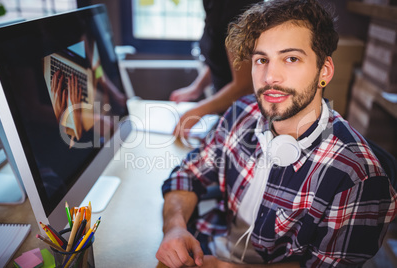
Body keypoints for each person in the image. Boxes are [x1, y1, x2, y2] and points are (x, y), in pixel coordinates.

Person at [156, 0, 397, 267]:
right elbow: (187, 174)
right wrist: (175, 226)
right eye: (261, 60)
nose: (270, 76)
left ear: (324, 71)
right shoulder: (242, 114)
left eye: (291, 58)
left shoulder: (358, 177)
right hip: (209, 246)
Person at [170, 0, 259, 138]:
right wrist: (196, 88)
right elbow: (220, 61)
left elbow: (244, 85)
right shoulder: (214, 6)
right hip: (226, 113)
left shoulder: (239, 9)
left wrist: (199, 110)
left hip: (245, 119)